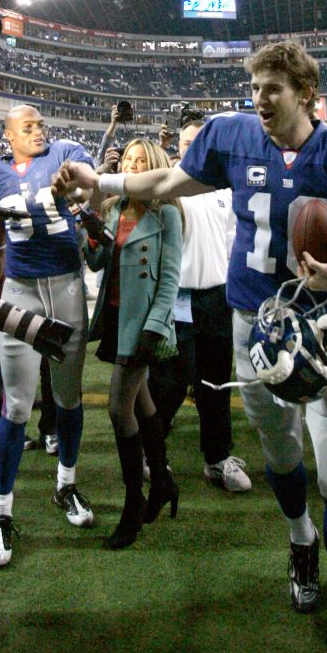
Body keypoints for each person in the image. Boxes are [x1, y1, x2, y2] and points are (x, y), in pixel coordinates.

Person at [53, 40, 327, 653]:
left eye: (272, 88)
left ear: (305, 92)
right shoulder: (231, 137)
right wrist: (97, 181)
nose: (260, 100)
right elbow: (162, 182)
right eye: (256, 88)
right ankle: (300, 540)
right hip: (254, 324)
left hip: (325, 326)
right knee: (282, 457)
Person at [0, 104, 96, 566]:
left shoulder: (63, 151)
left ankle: (66, 484)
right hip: (21, 291)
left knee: (68, 397)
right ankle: (1, 511)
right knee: (18, 404)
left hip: (66, 284)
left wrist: (76, 180)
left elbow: (87, 174)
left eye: (41, 123)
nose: (39, 131)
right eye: (28, 127)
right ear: (8, 135)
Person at [77, 138, 184, 549]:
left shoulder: (168, 214)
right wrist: (92, 235)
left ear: (154, 167)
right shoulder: (114, 207)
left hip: (143, 325)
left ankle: (133, 503)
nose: (134, 168)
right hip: (117, 317)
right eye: (128, 161)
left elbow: (171, 276)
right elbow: (98, 263)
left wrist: (156, 327)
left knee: (118, 408)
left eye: (142, 162)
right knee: (141, 403)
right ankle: (162, 482)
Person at [146, 118, 252, 492]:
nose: (193, 148)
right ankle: (151, 454)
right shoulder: (167, 186)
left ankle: (217, 458)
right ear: (178, 146)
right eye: (187, 142)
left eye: (198, 142)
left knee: (216, 382)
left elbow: (231, 242)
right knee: (171, 382)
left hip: (216, 298)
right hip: (178, 297)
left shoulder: (223, 186)